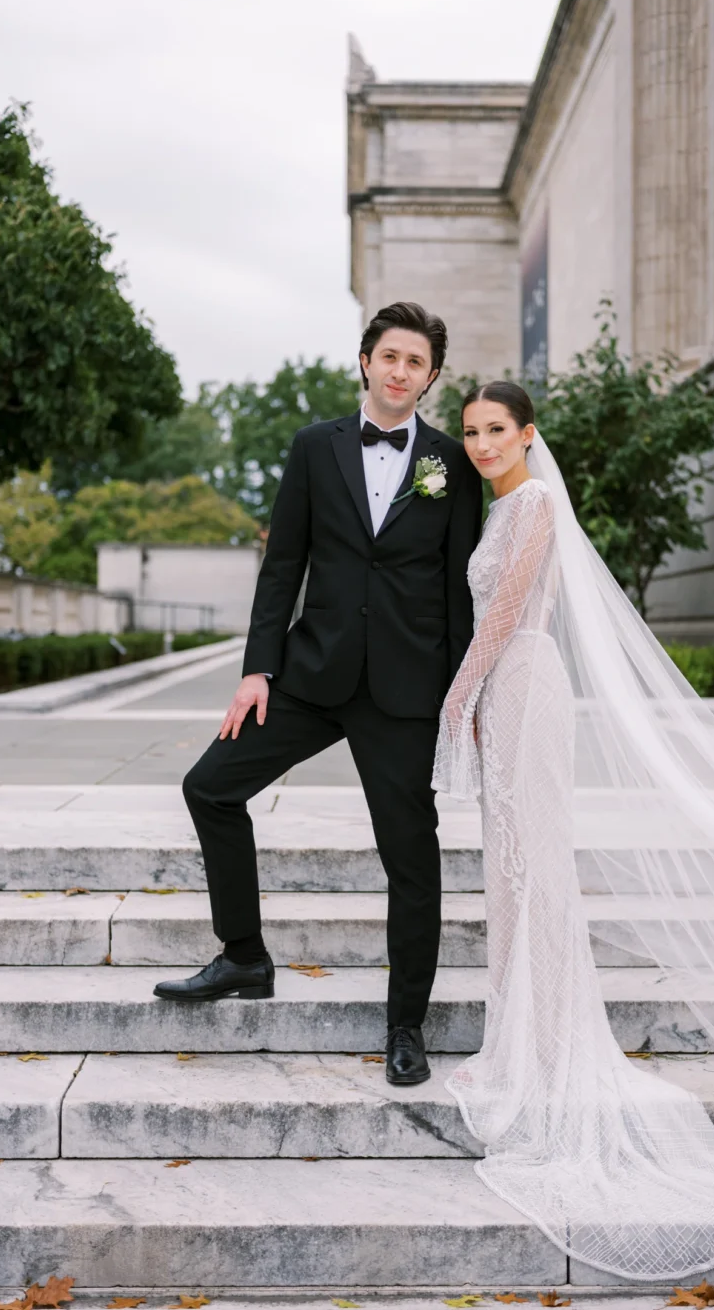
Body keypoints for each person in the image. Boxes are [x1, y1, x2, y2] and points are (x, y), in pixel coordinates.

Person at [434, 380, 714, 1281]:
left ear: (529, 433)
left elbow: (505, 614)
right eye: (473, 431)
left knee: (538, 872)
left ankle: (550, 1053)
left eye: (497, 429)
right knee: (512, 873)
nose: (482, 442)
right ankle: (516, 1045)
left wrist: (460, 696)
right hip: (507, 692)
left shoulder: (531, 509)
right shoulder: (499, 508)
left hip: (523, 683)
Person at [155, 301, 483, 1088]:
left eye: (417, 362)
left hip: (407, 687)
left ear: (431, 378)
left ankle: (405, 1024)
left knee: (411, 856)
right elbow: (283, 566)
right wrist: (256, 668)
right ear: (365, 360)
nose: (401, 370)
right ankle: (243, 954)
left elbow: (460, 587)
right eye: (390, 356)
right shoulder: (313, 448)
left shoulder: (453, 463)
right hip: (311, 672)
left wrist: (462, 697)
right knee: (210, 787)